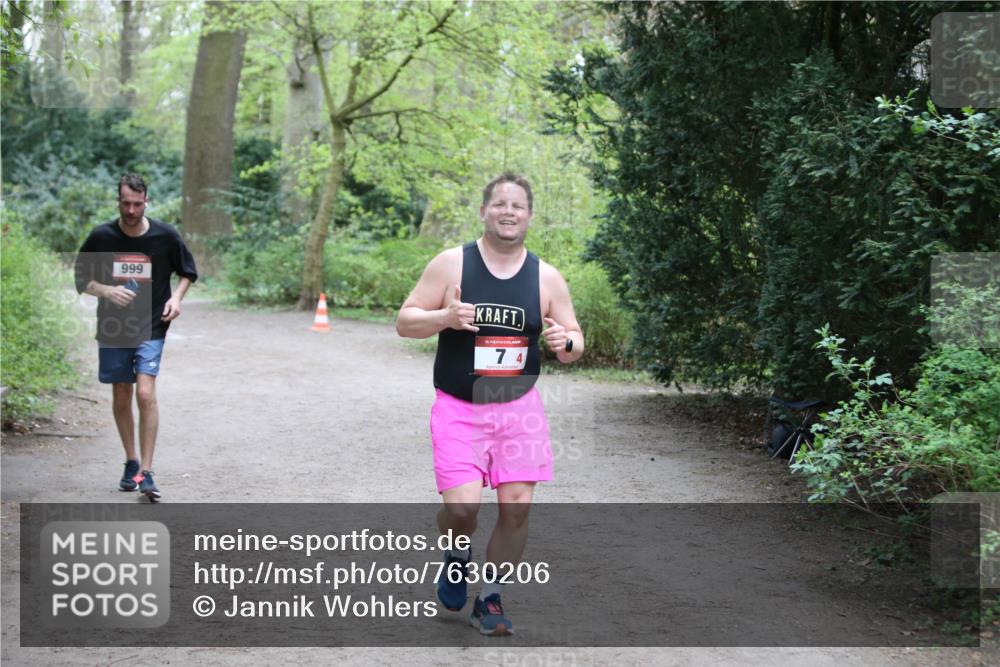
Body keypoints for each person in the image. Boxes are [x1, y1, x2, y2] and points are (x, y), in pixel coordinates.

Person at [396, 172, 584, 636]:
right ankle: (456, 553)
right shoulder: (451, 265)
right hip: (460, 406)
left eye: (517, 206)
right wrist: (444, 317)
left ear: (530, 216)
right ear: (483, 211)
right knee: (462, 510)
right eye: (499, 204)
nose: (508, 212)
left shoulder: (547, 277)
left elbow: (575, 342)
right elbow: (405, 321)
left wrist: (565, 341)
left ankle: (491, 598)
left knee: (516, 506)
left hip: (518, 407)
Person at [74, 173, 197, 502]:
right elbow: (81, 279)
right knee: (122, 395)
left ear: (147, 202)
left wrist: (176, 298)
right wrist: (107, 290)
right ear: (118, 201)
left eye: (137, 204)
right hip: (115, 326)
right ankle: (131, 461)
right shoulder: (102, 236)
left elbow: (188, 271)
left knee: (145, 392)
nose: (131, 210)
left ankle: (148, 471)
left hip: (152, 324)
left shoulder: (165, 236)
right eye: (126, 203)